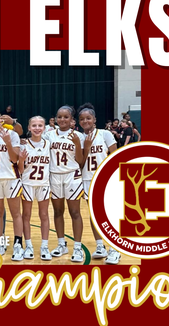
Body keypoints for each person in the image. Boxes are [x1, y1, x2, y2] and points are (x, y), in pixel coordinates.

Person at [77, 103, 122, 265]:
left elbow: (114, 156)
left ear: (94, 119)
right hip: (87, 180)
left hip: (104, 178)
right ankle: (100, 246)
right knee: (94, 215)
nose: (85, 121)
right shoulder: (79, 138)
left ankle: (115, 249)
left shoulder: (105, 134)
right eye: (82, 119)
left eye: (88, 118)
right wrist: (86, 148)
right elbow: (80, 163)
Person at [43, 105, 87, 262]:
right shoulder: (48, 136)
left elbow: (81, 161)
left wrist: (76, 144)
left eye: (66, 117)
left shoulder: (78, 136)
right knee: (57, 211)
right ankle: (61, 244)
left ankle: (77, 247)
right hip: (55, 175)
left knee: (75, 212)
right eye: (59, 116)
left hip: (72, 175)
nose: (62, 119)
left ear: (72, 120)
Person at [0, 110, 23, 257]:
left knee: (15, 213)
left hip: (11, 178)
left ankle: (18, 244)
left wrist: (7, 142)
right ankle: (0, 243)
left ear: (0, 119)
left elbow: (15, 159)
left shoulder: (12, 134)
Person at [18, 116, 51, 260]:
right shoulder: (23, 145)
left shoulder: (49, 144)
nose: (37, 128)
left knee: (44, 215)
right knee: (26, 215)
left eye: (40, 125)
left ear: (44, 128)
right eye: (34, 125)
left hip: (43, 184)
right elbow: (20, 169)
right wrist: (21, 160)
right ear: (29, 128)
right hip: (27, 184)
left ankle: (44, 246)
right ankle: (28, 245)